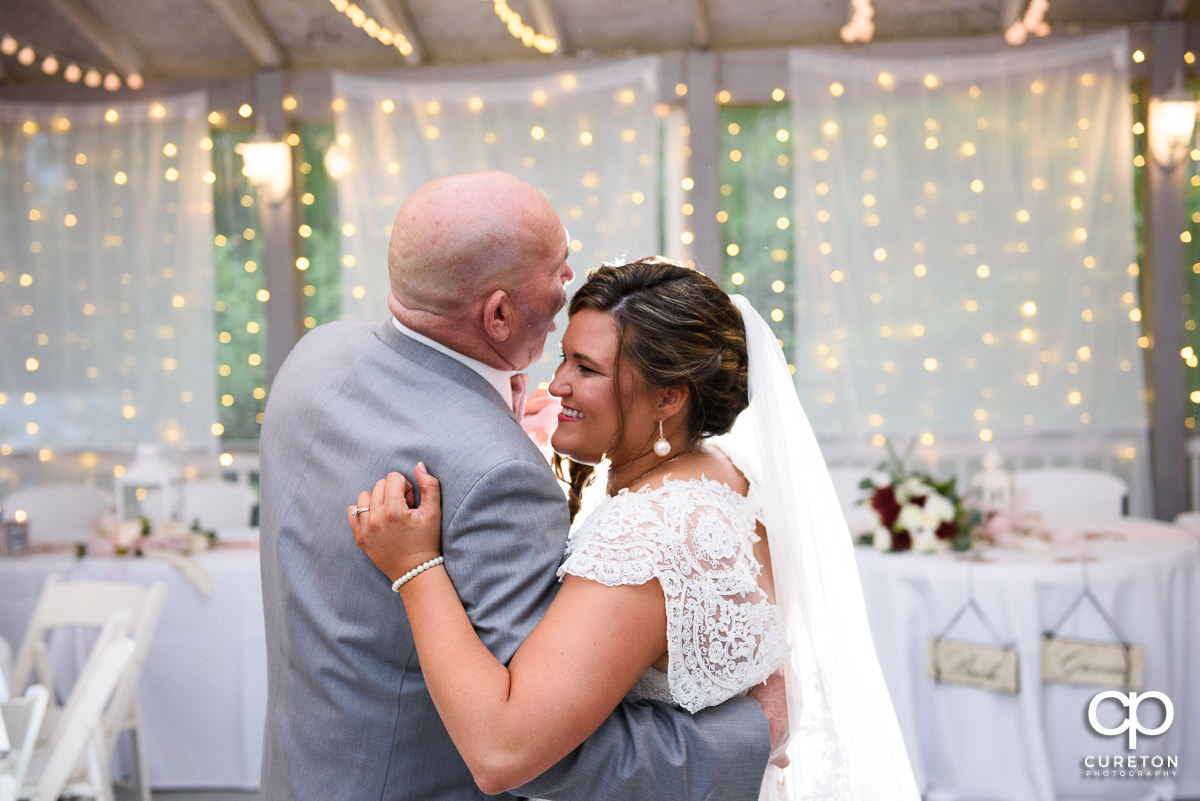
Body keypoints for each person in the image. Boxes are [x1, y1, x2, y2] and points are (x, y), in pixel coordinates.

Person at [259, 174, 781, 801]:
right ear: (499, 314)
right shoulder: (501, 471)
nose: (568, 281)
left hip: (304, 770)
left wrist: (421, 559)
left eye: (584, 367)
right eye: (558, 270)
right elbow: (528, 754)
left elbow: (520, 736)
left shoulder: (318, 354)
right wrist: (752, 735)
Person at [349, 257, 923, 800]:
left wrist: (414, 567)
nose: (557, 386)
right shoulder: (720, 475)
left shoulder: (653, 534)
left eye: (587, 369)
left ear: (669, 397)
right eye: (565, 358)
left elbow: (501, 751)